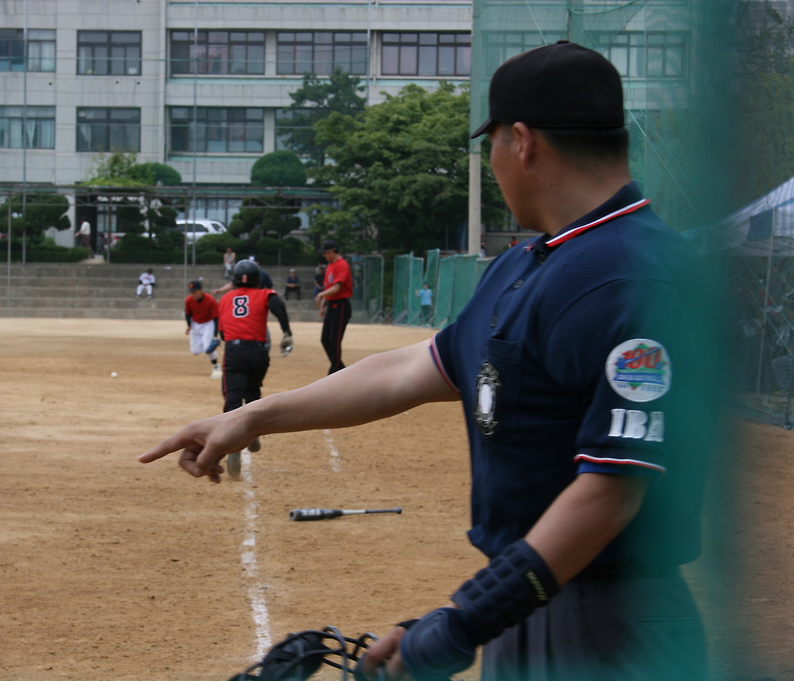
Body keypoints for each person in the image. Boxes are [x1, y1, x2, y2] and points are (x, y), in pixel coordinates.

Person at [140, 41, 721, 681]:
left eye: (491, 143)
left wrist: (463, 622)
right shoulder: (528, 266)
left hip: (615, 628)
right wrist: (252, 418)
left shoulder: (638, 274)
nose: (494, 161)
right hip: (532, 603)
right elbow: (413, 369)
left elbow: (611, 494)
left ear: (521, 142)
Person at [214, 259, 293, 478]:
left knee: (232, 397)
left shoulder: (226, 298)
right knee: (253, 390)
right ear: (257, 279)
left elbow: (222, 334)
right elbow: (278, 304)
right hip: (259, 353)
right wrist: (286, 331)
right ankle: (252, 430)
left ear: (235, 281)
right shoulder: (265, 294)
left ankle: (233, 447)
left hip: (236, 352)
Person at [315, 239, 353, 374]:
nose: (324, 256)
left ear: (332, 251)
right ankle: (341, 370)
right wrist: (324, 303)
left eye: (325, 253)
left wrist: (320, 295)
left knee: (334, 341)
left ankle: (335, 371)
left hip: (341, 306)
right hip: (332, 305)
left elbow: (337, 288)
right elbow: (329, 287)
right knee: (325, 339)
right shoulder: (330, 266)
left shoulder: (342, 265)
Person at [184, 280, 222, 379]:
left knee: (208, 349)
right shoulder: (188, 300)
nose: (193, 294)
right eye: (191, 292)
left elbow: (216, 318)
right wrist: (189, 326)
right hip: (195, 324)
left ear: (201, 290)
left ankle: (216, 367)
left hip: (208, 324)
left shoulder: (210, 300)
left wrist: (215, 335)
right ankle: (206, 344)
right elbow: (188, 314)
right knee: (195, 351)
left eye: (195, 291)